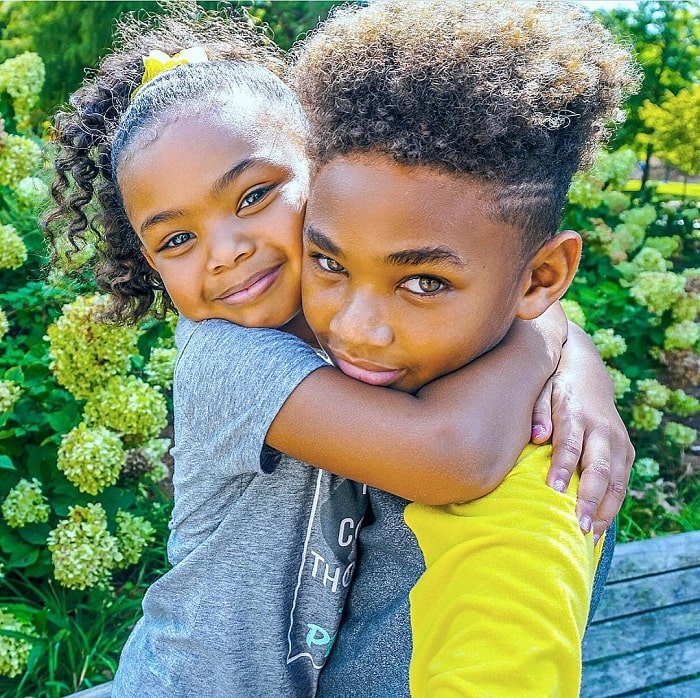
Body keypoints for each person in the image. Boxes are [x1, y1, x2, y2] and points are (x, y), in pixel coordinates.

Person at [43, 3, 633, 696]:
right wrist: (546, 345)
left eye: (254, 195)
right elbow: (452, 457)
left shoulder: (342, 317)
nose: (226, 253)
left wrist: (577, 358)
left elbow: (509, 287)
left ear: (319, 174)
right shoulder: (227, 357)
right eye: (176, 240)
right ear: (147, 262)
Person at [289, 0, 639, 695]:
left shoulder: (539, 493)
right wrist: (560, 342)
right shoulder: (399, 370)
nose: (356, 328)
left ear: (543, 277)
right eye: (329, 263)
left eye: (422, 281)